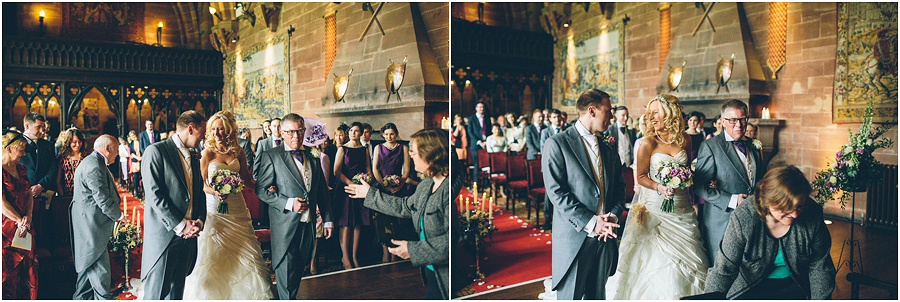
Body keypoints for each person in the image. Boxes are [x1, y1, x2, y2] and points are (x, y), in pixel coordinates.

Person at [605, 94, 708, 299]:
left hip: (682, 207)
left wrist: (690, 176)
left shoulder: (685, 139)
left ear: (669, 114)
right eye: (649, 113)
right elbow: (641, 176)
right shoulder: (647, 143)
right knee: (654, 261)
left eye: (655, 112)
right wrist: (659, 186)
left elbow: (686, 169)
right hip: (656, 210)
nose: (651, 117)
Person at [345, 128, 450, 299]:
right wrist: (370, 194)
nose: (410, 155)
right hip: (430, 270)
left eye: (414, 152)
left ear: (429, 155)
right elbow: (405, 207)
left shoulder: (447, 190)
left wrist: (413, 250)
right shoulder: (426, 185)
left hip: (445, 276)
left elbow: (449, 242)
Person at [542, 89, 625, 299]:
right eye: (608, 111)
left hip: (605, 236)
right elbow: (556, 192)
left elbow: (619, 187)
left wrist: (612, 217)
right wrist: (591, 221)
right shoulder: (558, 143)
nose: (612, 116)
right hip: (576, 236)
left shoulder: (608, 144)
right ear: (592, 110)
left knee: (598, 296)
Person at [705, 166, 836, 299]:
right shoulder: (744, 216)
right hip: (749, 286)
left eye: (799, 207)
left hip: (794, 285)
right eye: (787, 208)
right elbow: (724, 269)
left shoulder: (812, 212)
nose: (795, 214)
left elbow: (820, 266)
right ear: (769, 201)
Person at [183, 111, 272, 299]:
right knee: (214, 252)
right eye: (213, 129)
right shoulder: (207, 153)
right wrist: (216, 192)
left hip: (237, 208)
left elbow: (247, 180)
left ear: (228, 130)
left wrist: (266, 187)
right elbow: (202, 185)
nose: (216, 133)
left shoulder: (238, 151)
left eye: (220, 129)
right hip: (215, 208)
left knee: (244, 250)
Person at [255, 113, 333, 300]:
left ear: (304, 131)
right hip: (285, 225)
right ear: (281, 132)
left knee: (299, 268)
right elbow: (261, 190)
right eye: (290, 132)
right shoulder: (271, 156)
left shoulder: (313, 155)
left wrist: (328, 220)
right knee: (286, 270)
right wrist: (289, 203)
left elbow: (322, 191)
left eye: (299, 131)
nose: (295, 136)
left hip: (308, 224)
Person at [140, 111, 208, 300]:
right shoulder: (157, 151)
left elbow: (198, 192)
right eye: (202, 133)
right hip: (166, 235)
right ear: (190, 129)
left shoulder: (194, 155)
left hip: (188, 236)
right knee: (157, 293)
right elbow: (154, 195)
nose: (203, 138)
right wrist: (181, 224)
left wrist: (199, 222)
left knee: (176, 293)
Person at [694, 100, 765, 263]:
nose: (739, 125)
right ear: (723, 122)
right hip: (722, 219)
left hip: (753, 217)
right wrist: (733, 200)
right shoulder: (710, 146)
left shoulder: (754, 146)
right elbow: (699, 186)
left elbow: (759, 179)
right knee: (722, 267)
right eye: (733, 120)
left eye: (743, 119)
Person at [71, 135, 123, 300]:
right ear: (107, 148)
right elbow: (102, 199)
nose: (117, 154)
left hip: (90, 222)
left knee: (88, 267)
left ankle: (80, 298)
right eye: (116, 150)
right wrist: (119, 216)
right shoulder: (94, 165)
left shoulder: (94, 161)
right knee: (100, 269)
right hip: (91, 225)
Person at [2, 130, 38, 300]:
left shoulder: (22, 169)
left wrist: (28, 216)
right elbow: (1, 203)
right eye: (21, 150)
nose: (24, 154)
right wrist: (18, 220)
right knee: (10, 272)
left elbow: (29, 193)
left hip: (25, 224)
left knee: (28, 267)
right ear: (9, 148)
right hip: (7, 228)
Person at [332, 122, 373, 269]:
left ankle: (355, 256)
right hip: (346, 189)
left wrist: (367, 180)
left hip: (360, 190)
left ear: (361, 133)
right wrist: (350, 183)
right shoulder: (343, 149)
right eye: (351, 131)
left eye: (356, 131)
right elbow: (336, 171)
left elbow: (368, 169)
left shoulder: (364, 150)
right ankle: (345, 257)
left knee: (358, 223)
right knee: (345, 224)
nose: (353, 133)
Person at [372, 123, 411, 263]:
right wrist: (384, 185)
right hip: (381, 188)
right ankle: (385, 253)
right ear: (383, 134)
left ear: (396, 134)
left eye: (392, 134)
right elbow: (375, 168)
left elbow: (405, 170)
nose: (389, 137)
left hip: (398, 188)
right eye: (386, 134)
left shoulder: (403, 148)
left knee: (397, 221)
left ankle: (395, 253)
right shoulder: (378, 148)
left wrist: (399, 185)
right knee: (382, 221)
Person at [56, 128, 87, 198]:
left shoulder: (86, 157)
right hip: (66, 195)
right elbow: (58, 181)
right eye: (74, 142)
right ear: (69, 142)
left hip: (83, 195)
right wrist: (62, 195)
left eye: (80, 141)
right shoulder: (63, 158)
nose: (78, 144)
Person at [466, 102, 490, 180]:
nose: (481, 109)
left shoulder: (487, 118)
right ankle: (476, 183)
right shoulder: (471, 119)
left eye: (482, 107)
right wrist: (479, 142)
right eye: (479, 107)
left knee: (486, 164)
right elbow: (470, 132)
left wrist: (486, 141)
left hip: (486, 143)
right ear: (476, 108)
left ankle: (486, 184)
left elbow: (489, 131)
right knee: (476, 164)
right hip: (475, 144)